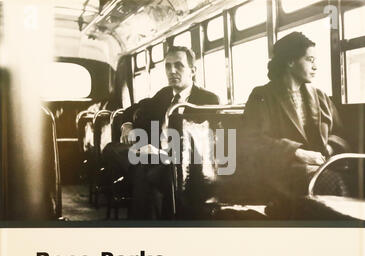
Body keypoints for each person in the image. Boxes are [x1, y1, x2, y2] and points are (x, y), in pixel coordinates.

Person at [103, 45, 220, 219]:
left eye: (179, 65)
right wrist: (127, 125)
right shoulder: (164, 95)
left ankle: (141, 224)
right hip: (158, 157)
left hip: (185, 163)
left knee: (144, 169)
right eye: (168, 66)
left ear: (193, 71)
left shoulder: (208, 99)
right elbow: (134, 109)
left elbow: (205, 145)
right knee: (113, 149)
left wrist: (160, 153)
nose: (172, 71)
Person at [241, 32, 348, 210]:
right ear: (290, 62)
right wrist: (297, 153)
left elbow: (339, 134)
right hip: (279, 171)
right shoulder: (262, 95)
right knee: (331, 181)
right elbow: (250, 141)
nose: (315, 67)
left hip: (321, 166)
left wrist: (327, 150)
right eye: (310, 60)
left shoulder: (320, 95)